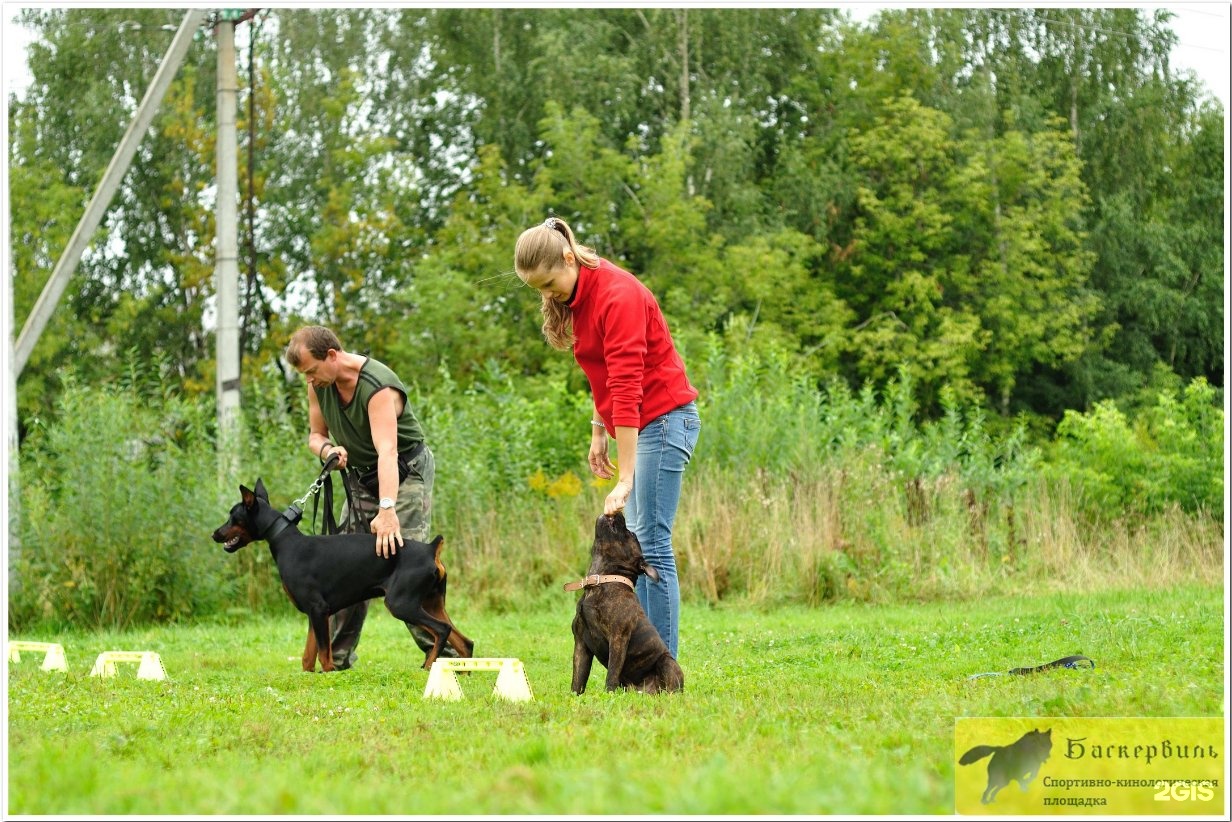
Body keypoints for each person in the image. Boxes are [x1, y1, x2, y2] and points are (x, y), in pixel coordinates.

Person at [514, 217, 701, 659]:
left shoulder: (617, 295)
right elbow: (604, 373)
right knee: (642, 540)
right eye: (537, 289)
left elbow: (628, 388)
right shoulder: (582, 291)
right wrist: (599, 430)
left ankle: (661, 668)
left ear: (566, 257)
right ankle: (649, 663)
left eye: (548, 284)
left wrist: (626, 477)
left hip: (664, 418)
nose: (547, 296)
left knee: (650, 544)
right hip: (639, 421)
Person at [284, 325, 453, 668]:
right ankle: (337, 656)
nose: (311, 381)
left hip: (405, 474)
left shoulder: (377, 388)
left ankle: (446, 656)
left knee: (403, 563)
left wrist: (387, 509)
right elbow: (315, 435)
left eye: (313, 371)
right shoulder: (318, 385)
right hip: (361, 477)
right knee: (344, 567)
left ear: (331, 355)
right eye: (306, 375)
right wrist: (328, 449)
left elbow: (388, 451)